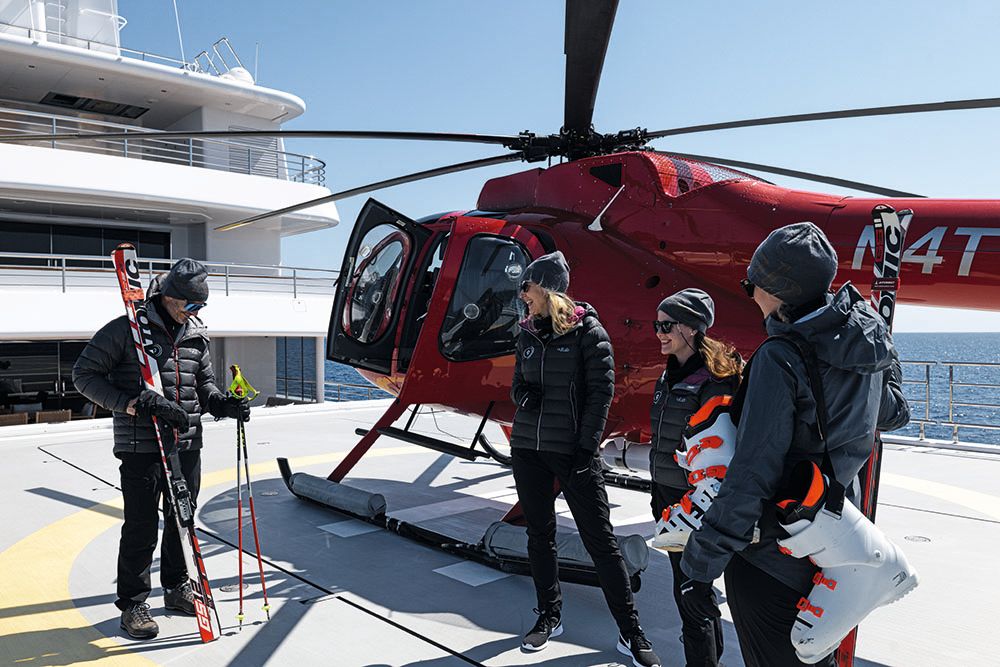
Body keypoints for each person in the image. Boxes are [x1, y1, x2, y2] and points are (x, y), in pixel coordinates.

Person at [678, 222, 910, 667]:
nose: (751, 294)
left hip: (772, 557)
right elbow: (895, 413)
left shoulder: (779, 357)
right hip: (836, 549)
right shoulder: (863, 347)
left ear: (778, 292)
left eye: (752, 285)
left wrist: (698, 567)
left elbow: (752, 474)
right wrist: (886, 354)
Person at [73, 258, 250, 639]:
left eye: (201, 305)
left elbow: (204, 387)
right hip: (142, 444)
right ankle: (133, 604)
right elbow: (83, 376)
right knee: (140, 526)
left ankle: (176, 585)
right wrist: (133, 404)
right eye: (190, 304)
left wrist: (224, 405)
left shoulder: (195, 335)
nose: (195, 311)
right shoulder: (126, 330)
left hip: (185, 442)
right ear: (169, 297)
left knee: (181, 519)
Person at [509, 251, 661, 667]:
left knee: (601, 543)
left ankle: (631, 632)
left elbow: (601, 393)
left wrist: (586, 447)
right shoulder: (526, 333)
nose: (522, 295)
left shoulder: (588, 332)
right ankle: (549, 616)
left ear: (547, 288)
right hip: (528, 450)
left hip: (572, 453)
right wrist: (522, 395)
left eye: (527, 287)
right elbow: (517, 383)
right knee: (539, 535)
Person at [647, 288, 742, 667]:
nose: (659, 333)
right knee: (688, 589)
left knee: (692, 591)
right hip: (664, 495)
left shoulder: (715, 381)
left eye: (667, 325)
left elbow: (721, 450)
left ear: (691, 327)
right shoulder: (668, 375)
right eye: (657, 325)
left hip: (695, 502)